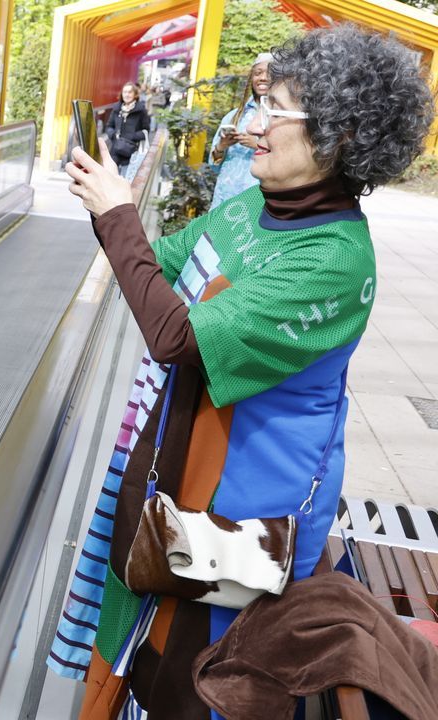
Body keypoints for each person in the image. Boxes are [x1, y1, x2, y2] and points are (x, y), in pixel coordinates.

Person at [52, 25, 433, 718]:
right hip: (176, 480)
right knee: (142, 656)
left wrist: (117, 214)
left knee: (192, 677)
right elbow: (157, 266)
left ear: (339, 136)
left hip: (239, 521)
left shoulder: (334, 260)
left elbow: (172, 334)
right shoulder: (254, 209)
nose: (252, 128)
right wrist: (104, 203)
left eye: (273, 113)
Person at [208, 53, 272, 208]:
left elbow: (290, 159)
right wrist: (221, 146)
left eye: (270, 73)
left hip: (259, 201)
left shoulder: (283, 117)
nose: (263, 78)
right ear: (251, 78)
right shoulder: (234, 116)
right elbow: (214, 166)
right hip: (224, 198)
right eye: (257, 73)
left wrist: (257, 145)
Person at [103, 83, 150, 176]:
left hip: (131, 151)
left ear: (135, 94)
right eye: (125, 92)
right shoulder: (116, 109)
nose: (127, 95)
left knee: (126, 179)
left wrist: (132, 136)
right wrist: (113, 135)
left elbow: (146, 130)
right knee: (111, 176)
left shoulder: (141, 110)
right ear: (122, 94)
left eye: (130, 92)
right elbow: (109, 126)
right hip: (116, 148)